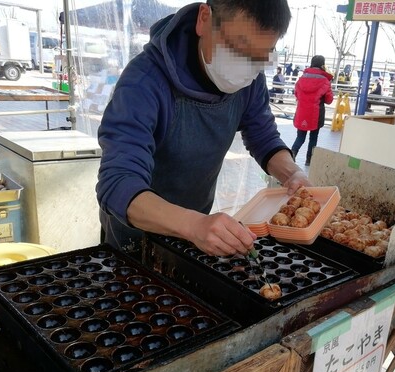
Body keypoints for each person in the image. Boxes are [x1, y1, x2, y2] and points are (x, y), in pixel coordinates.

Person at [96, 0, 311, 258]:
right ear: (204, 19)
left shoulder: (250, 78)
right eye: (239, 46)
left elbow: (263, 135)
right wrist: (194, 225)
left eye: (261, 55)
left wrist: (292, 173)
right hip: (134, 238)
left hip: (195, 234)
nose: (247, 66)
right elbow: (118, 183)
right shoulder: (144, 82)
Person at [291, 55, 333, 166]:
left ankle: (292, 154)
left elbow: (296, 94)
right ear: (323, 65)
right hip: (316, 114)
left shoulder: (301, 78)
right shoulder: (325, 81)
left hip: (302, 112)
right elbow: (329, 100)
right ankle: (309, 160)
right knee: (313, 138)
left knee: (300, 137)